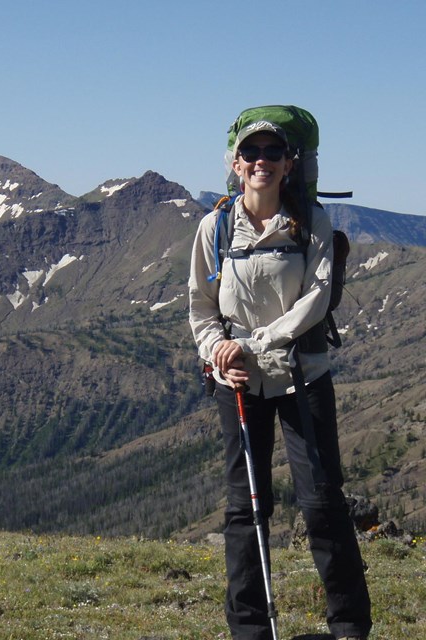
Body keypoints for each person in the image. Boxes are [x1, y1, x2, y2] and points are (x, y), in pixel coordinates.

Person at [188, 119, 372, 640]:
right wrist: (218, 352)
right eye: (252, 152)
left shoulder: (311, 221)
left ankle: (350, 628)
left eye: (273, 151)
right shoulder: (215, 228)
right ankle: (249, 630)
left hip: (301, 377)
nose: (261, 160)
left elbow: (315, 300)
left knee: (321, 504)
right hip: (239, 384)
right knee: (245, 508)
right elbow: (201, 309)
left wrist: (252, 343)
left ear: (290, 163)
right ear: (236, 163)